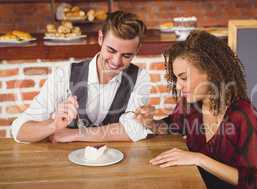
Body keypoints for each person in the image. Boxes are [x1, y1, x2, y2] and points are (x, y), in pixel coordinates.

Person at [135, 31, 257, 189]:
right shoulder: (191, 105)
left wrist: (198, 159)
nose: (179, 86)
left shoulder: (243, 115)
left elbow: (252, 182)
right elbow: (172, 126)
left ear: (211, 72)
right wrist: (150, 123)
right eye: (176, 79)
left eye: (184, 77)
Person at [12, 10, 152, 143]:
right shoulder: (65, 75)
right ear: (100, 38)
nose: (116, 61)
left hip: (118, 162)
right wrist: (53, 126)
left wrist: (73, 134)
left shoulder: (139, 77)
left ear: (137, 50)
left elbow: (135, 129)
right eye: (111, 50)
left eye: (126, 56)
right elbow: (19, 130)